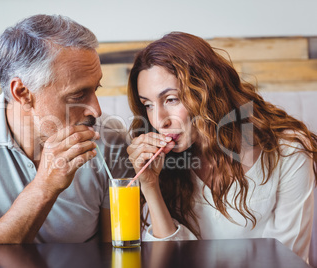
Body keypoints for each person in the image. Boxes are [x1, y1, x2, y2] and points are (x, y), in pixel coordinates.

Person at [0, 14, 132, 265]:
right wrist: (45, 187)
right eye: (78, 94)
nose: (96, 110)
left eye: (96, 88)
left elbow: (118, 254)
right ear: (22, 93)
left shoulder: (109, 136)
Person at [126, 31, 317, 261]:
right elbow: (169, 260)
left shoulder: (288, 152)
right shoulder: (167, 166)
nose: (159, 121)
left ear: (207, 90)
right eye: (148, 105)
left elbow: (286, 259)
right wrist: (150, 186)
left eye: (171, 99)